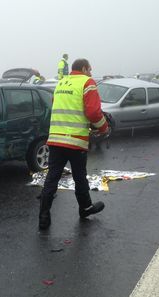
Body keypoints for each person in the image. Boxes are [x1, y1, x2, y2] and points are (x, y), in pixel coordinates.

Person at [38, 58, 109, 230]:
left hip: (56, 139)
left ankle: (43, 216)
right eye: (90, 69)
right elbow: (93, 112)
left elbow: (58, 107)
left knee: (52, 177)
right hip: (75, 140)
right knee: (79, 177)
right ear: (84, 68)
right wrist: (104, 128)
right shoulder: (87, 82)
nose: (91, 73)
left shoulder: (61, 83)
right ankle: (85, 209)